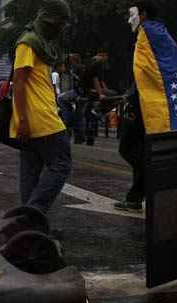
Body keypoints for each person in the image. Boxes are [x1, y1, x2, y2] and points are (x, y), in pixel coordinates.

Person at [115, 1, 177, 212]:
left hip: (146, 103)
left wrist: (130, 97)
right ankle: (135, 197)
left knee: (128, 148)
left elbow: (145, 72)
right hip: (155, 102)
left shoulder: (146, 33)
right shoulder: (162, 33)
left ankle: (151, 182)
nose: (129, 18)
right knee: (141, 149)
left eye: (132, 13)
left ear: (144, 13)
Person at [10, 0, 72, 215]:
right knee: (62, 164)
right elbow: (18, 83)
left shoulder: (42, 45)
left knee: (30, 173)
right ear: (50, 18)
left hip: (37, 118)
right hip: (40, 120)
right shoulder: (28, 43)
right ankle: (34, 211)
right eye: (62, 21)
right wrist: (23, 120)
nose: (63, 27)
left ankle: (25, 223)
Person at [81, 53, 109, 145]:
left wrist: (104, 90)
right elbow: (95, 80)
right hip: (88, 91)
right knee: (91, 115)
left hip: (89, 90)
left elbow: (100, 81)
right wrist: (100, 93)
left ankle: (89, 136)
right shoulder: (95, 66)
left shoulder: (94, 66)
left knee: (89, 115)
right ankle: (100, 114)